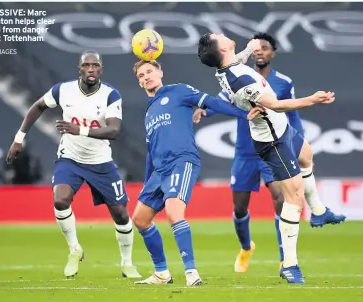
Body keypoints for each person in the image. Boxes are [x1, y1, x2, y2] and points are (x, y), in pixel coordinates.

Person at [194, 33, 345, 274]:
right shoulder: (242, 79)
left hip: (283, 128)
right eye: (219, 37)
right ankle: (289, 264)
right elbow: (275, 105)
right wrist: (313, 99)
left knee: (306, 154)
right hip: (272, 138)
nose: (223, 35)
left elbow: (236, 62)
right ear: (222, 49)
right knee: (293, 199)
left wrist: (247, 48)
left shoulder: (227, 68)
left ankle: (318, 211)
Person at [6, 51, 141, 279]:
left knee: (120, 214)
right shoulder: (63, 90)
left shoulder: (110, 95)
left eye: (95, 65)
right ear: (79, 69)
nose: (90, 69)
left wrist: (81, 130)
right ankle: (74, 249)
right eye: (86, 65)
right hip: (70, 157)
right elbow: (38, 106)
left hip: (100, 161)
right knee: (60, 199)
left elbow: (114, 130)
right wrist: (19, 138)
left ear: (101, 69)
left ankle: (127, 263)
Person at [131, 60, 261, 286]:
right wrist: (146, 182)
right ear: (140, 82)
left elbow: (211, 102)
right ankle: (162, 273)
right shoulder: (149, 113)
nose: (146, 77)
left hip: (182, 162)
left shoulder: (179, 91)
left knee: (174, 212)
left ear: (160, 72)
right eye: (141, 75)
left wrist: (243, 114)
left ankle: (191, 272)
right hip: (158, 172)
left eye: (150, 71)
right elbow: (151, 152)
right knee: (140, 219)